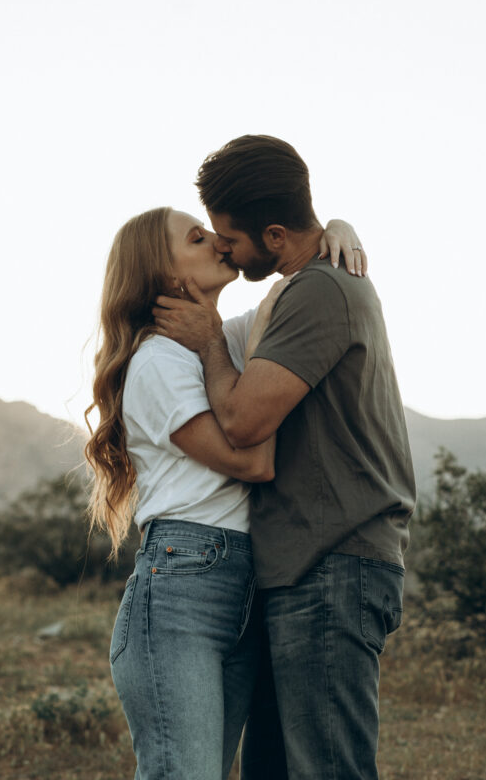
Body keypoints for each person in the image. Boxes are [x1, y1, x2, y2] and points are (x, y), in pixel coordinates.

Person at [153, 135, 416, 780]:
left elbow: (243, 421)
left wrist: (211, 341)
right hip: (304, 566)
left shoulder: (320, 293)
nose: (223, 249)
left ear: (273, 235)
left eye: (230, 239)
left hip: (334, 562)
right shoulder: (302, 289)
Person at [84, 206, 364, 780]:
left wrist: (336, 228)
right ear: (165, 276)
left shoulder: (221, 344)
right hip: (182, 584)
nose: (220, 242)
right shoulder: (157, 362)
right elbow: (254, 461)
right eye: (197, 237)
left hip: (241, 584)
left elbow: (286, 296)